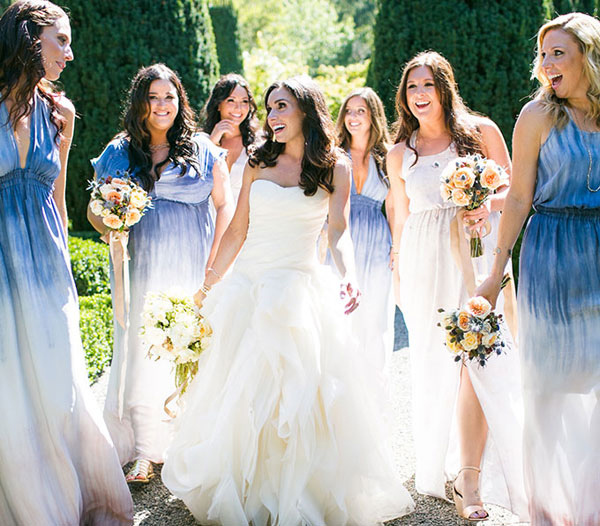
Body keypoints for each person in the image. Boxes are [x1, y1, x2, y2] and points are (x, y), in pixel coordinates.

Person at [162, 75, 414, 525]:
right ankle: (244, 487)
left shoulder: (333, 166)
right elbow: (237, 230)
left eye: (281, 106)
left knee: (296, 399)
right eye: (270, 107)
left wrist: (349, 275)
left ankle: (294, 493)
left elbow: (338, 231)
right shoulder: (256, 160)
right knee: (237, 393)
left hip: (298, 290)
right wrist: (207, 287)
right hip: (247, 288)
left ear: (305, 110)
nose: (272, 116)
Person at [0, 1, 133, 524]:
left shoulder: (61, 113)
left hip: (46, 264)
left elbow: (56, 199)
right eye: (62, 40)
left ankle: (78, 497)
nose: (71, 54)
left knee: (59, 384)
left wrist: (67, 272)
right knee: (9, 387)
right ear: (29, 38)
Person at [387, 51, 527, 521]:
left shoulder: (481, 131)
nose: (419, 94)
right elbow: (400, 214)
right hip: (424, 260)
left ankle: (472, 475)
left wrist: (486, 206)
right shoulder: (400, 152)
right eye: (411, 87)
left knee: (481, 355)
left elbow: (513, 189)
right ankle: (441, 465)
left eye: (427, 84)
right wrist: (398, 269)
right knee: (434, 361)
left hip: (476, 253)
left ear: (445, 88)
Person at [477, 13, 600, 525]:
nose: (547, 64)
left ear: (588, 57)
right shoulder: (537, 115)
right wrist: (495, 270)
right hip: (550, 254)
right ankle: (549, 509)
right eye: (543, 54)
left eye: (558, 53)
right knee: (550, 384)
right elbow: (518, 197)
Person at [88, 63, 234, 484]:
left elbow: (225, 205)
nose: (161, 105)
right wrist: (111, 222)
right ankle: (144, 450)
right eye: (152, 97)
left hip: (195, 266)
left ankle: (192, 444)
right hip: (143, 266)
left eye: (169, 96)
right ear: (140, 103)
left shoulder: (203, 149)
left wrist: (213, 267)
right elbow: (94, 211)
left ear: (180, 101)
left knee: (193, 350)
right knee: (143, 353)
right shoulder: (119, 151)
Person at [330, 87, 395, 373]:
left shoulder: (388, 157)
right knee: (337, 310)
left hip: (377, 239)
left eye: (361, 111)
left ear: (373, 116)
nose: (353, 117)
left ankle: (373, 385)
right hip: (339, 236)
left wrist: (396, 247)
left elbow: (394, 206)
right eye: (348, 111)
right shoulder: (333, 154)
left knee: (374, 315)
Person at [204, 73, 258, 203]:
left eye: (244, 101)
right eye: (231, 100)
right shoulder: (203, 141)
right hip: (209, 214)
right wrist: (212, 142)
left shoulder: (257, 143)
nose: (238, 108)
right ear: (218, 104)